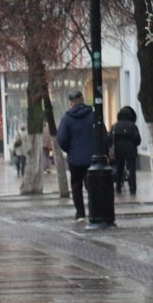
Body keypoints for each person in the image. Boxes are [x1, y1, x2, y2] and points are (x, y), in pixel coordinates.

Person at [56, 90, 96, 221]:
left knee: (76, 185)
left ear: (71, 103)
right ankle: (94, 211)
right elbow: (103, 135)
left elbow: (61, 139)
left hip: (75, 160)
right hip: (92, 158)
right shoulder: (93, 115)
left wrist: (70, 150)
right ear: (82, 99)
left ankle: (80, 213)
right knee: (92, 185)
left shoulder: (67, 118)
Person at [110, 106, 142, 196]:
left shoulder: (116, 125)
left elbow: (111, 138)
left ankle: (118, 187)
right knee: (132, 170)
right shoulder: (133, 126)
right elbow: (137, 139)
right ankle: (132, 189)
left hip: (119, 149)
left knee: (119, 169)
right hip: (131, 149)